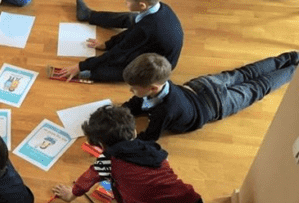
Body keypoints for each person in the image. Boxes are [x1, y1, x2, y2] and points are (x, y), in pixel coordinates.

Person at [52, 105, 206, 203]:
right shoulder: (151, 147)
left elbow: (87, 179)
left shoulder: (107, 160)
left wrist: (71, 194)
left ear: (100, 145)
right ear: (133, 131)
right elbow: (162, 166)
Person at [122, 52, 298, 141]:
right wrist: (120, 112)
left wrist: (124, 138)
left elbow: (149, 137)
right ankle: (291, 57)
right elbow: (136, 103)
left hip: (217, 104)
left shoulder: (164, 111)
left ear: (153, 88)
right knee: (246, 73)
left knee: (258, 87)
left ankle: (294, 69)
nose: (131, 91)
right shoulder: (160, 85)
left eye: (133, 89)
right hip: (203, 85)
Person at [55, 0, 183, 83]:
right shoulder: (161, 8)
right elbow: (133, 31)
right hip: (151, 38)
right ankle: (88, 15)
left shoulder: (145, 29)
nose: (125, 2)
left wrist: (81, 66)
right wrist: (107, 44)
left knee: (118, 70)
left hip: (157, 66)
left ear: (142, 5)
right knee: (130, 18)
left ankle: (88, 75)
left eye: (129, 0)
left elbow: (117, 52)